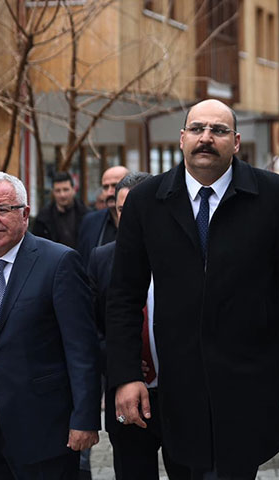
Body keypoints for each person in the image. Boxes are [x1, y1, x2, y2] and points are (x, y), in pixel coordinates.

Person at [107, 99, 279, 479]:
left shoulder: (275, 197)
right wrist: (125, 375)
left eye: (218, 131)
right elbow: (123, 295)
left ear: (235, 142)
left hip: (250, 378)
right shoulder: (145, 202)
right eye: (198, 129)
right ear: (182, 138)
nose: (206, 138)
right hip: (178, 382)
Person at [0, 172, 100, 479]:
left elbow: (81, 349)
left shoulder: (59, 262)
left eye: (2, 210)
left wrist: (85, 418)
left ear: (25, 213)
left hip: (44, 431)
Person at [86, 172, 189, 480]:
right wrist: (124, 364)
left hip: (182, 396)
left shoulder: (189, 256)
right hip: (127, 397)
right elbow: (91, 330)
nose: (130, 217)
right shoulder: (101, 259)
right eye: (121, 210)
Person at [78, 166, 129, 263]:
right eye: (105, 187)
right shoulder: (90, 222)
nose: (109, 192)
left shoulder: (140, 220)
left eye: (115, 186)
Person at [32, 171, 89, 250]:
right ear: (53, 192)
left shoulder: (86, 215)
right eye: (58, 191)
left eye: (66, 190)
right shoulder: (43, 218)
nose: (62, 195)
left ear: (73, 190)